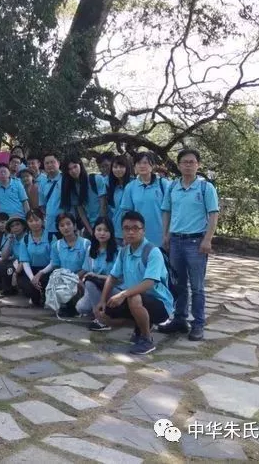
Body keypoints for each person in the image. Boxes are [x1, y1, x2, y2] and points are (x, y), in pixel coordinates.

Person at [159, 148, 219, 341]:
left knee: (197, 286)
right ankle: (179, 319)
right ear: (178, 165)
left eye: (192, 162)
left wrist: (207, 239)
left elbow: (213, 214)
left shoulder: (205, 188)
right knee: (178, 284)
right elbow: (166, 211)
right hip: (176, 241)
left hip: (196, 242)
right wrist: (166, 234)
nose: (188, 165)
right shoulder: (172, 187)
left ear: (198, 165)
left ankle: (198, 324)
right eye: (184, 162)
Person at [93, 211, 174, 355]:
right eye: (126, 228)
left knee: (133, 298)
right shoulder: (124, 252)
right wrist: (102, 301)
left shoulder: (153, 252)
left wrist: (123, 294)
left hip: (160, 304)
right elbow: (112, 277)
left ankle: (147, 339)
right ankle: (140, 326)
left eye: (136, 228)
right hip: (136, 299)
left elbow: (149, 283)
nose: (131, 232)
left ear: (143, 230)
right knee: (105, 315)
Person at [40, 212, 90, 315]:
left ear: (74, 225)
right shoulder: (56, 245)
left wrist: (74, 278)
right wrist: (66, 278)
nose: (66, 227)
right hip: (64, 278)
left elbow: (87, 267)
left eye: (68, 224)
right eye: (62, 225)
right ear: (58, 228)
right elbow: (56, 266)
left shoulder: (86, 243)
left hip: (81, 278)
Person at [119, 151, 170, 248]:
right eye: (138, 163)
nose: (142, 166)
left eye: (145, 163)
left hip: (161, 238)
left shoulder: (163, 184)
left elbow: (170, 211)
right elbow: (126, 213)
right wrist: (125, 235)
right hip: (138, 237)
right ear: (135, 166)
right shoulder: (130, 187)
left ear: (152, 166)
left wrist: (168, 235)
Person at [79, 218, 120, 330]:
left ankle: (102, 320)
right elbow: (86, 270)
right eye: (99, 230)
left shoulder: (118, 251)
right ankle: (101, 310)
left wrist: (97, 277)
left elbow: (118, 279)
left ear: (111, 233)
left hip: (113, 289)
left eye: (106, 230)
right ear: (94, 231)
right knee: (81, 308)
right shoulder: (90, 249)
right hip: (95, 288)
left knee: (90, 281)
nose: (102, 233)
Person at [61, 154, 107, 236]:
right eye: (69, 169)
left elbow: (103, 205)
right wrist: (91, 231)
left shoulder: (96, 179)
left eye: (75, 166)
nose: (73, 171)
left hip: (105, 225)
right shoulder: (73, 188)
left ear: (80, 165)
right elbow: (81, 212)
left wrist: (101, 227)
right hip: (90, 227)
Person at [16, 209, 53, 306]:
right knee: (29, 287)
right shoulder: (25, 239)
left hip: (47, 270)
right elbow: (25, 262)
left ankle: (44, 294)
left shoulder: (51, 237)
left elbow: (54, 261)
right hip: (31, 271)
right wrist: (33, 278)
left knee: (45, 283)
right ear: (27, 223)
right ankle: (36, 295)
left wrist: (40, 273)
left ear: (42, 220)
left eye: (37, 220)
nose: (34, 223)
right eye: (31, 221)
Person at [106, 155, 133, 245]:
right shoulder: (110, 186)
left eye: (121, 167)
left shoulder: (134, 184)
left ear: (127, 168)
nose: (118, 169)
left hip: (131, 231)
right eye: (115, 167)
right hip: (115, 232)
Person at [0, 216, 28, 295]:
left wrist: (16, 272)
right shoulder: (13, 238)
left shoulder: (27, 237)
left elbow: (25, 259)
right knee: (1, 264)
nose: (15, 227)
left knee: (10, 268)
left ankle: (17, 285)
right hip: (16, 263)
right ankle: (9, 289)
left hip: (27, 264)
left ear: (23, 226)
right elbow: (4, 257)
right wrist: (9, 240)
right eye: (12, 226)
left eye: (17, 224)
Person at [39, 152, 63, 241]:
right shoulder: (42, 182)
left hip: (66, 225)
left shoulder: (66, 179)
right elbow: (42, 205)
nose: (49, 165)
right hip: (50, 226)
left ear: (58, 163)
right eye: (47, 163)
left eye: (52, 162)